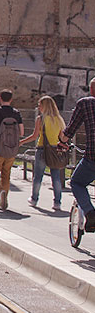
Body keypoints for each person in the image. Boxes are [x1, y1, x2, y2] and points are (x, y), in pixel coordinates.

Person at [60, 78, 95, 232]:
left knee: (77, 182)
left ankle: (90, 212)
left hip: (92, 158)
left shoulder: (86, 103)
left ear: (91, 90)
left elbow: (69, 130)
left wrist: (62, 142)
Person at [19, 96, 65, 210]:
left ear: (45, 106)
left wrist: (22, 141)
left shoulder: (41, 119)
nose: (38, 107)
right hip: (55, 150)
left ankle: (34, 199)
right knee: (56, 177)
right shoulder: (58, 119)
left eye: (40, 105)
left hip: (42, 150)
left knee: (38, 176)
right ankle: (57, 202)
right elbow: (62, 137)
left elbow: (35, 136)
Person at [0, 89, 24, 211]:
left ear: (0, 98)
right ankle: (3, 200)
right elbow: (21, 132)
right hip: (11, 149)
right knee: (6, 174)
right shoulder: (16, 113)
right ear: (11, 99)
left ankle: (0, 191)